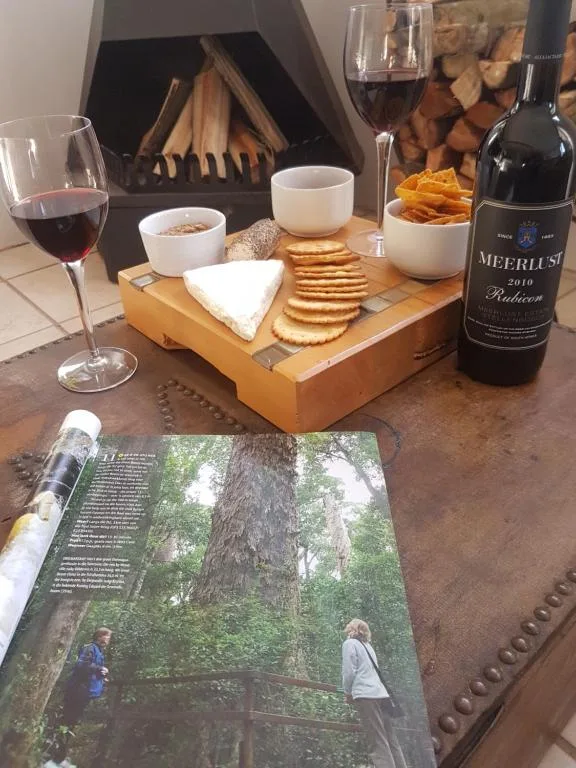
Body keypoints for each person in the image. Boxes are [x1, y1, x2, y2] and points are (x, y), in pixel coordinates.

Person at [342, 619, 407, 768]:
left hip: (366, 696)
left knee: (377, 741)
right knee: (390, 739)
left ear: (351, 629)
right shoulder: (368, 646)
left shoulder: (349, 644)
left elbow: (349, 672)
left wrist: (347, 692)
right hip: (381, 694)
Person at [51, 627, 112, 764]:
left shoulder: (98, 651)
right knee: (67, 720)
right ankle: (55, 755)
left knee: (71, 722)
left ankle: (58, 755)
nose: (109, 639)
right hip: (78, 690)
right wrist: (100, 668)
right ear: (100, 636)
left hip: (84, 691)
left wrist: (101, 675)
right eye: (107, 636)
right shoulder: (90, 648)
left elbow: (90, 669)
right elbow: (82, 665)